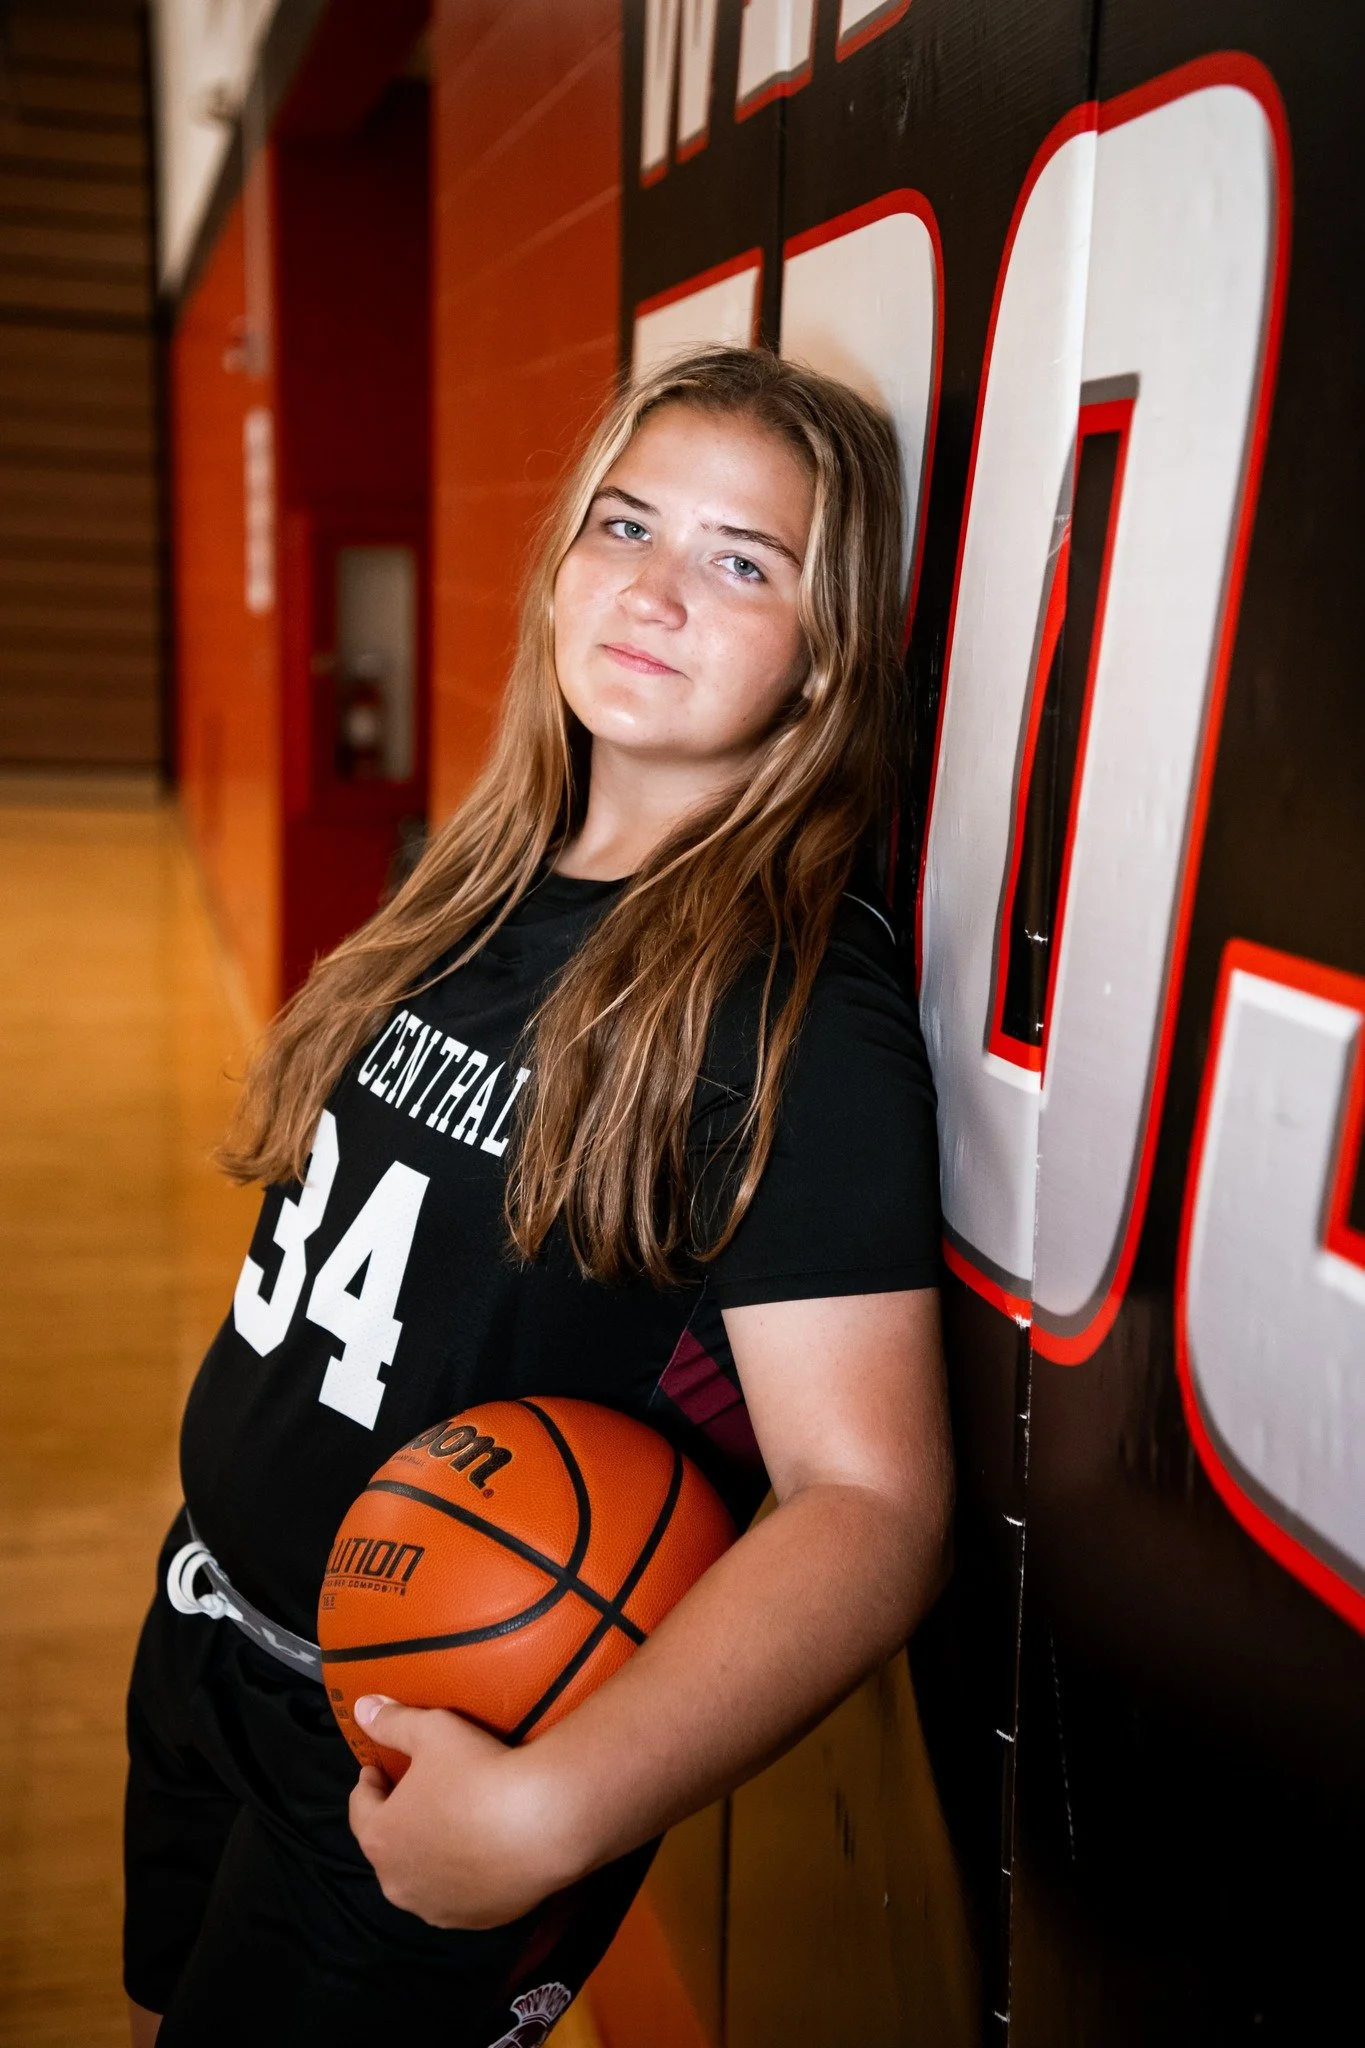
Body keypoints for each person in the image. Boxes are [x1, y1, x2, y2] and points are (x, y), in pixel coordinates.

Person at [123, 345, 953, 2046]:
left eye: (744, 561)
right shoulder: (467, 878)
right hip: (201, 1628)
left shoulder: (790, 1008)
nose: (654, 589)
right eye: (626, 523)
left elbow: (870, 1505)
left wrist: (558, 1810)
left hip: (427, 1749)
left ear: (826, 661)